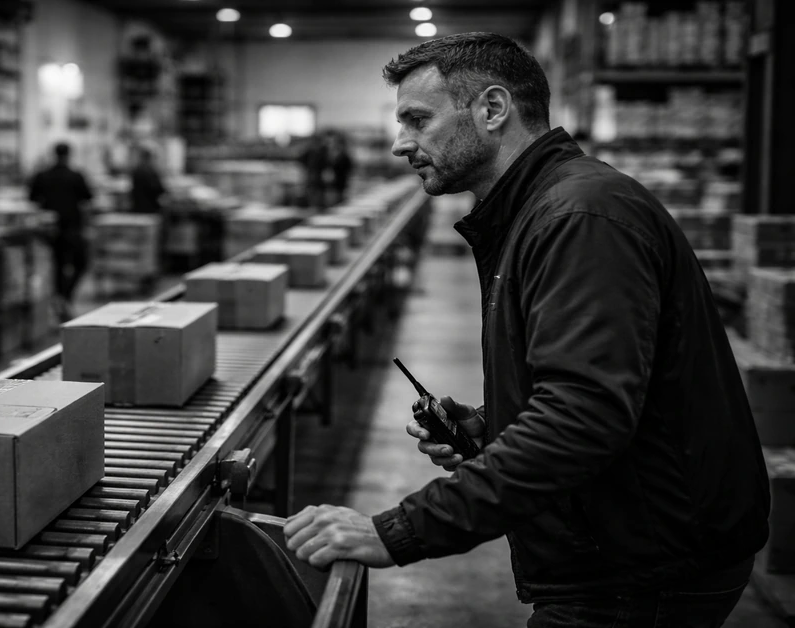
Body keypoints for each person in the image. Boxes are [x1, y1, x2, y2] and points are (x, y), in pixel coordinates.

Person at [283, 33, 770, 628]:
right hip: (621, 542)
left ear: (492, 110)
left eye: (418, 119)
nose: (398, 143)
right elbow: (604, 387)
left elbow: (584, 416)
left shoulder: (580, 218)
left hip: (638, 569)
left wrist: (398, 531)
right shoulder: (542, 211)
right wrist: (496, 427)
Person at [29, 142, 93, 320]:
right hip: (72, 228)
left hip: (51, 230)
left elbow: (32, 198)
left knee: (58, 266)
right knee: (81, 263)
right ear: (69, 155)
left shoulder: (42, 175)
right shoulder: (76, 176)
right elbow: (88, 198)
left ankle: (61, 298)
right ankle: (65, 296)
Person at [129, 146, 167, 214]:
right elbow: (159, 190)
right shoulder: (151, 171)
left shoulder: (136, 170)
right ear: (150, 158)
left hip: (137, 206)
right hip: (150, 208)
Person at [299, 133, 329, 210]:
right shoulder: (310, 152)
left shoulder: (323, 152)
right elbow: (300, 159)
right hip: (311, 179)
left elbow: (327, 166)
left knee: (319, 199)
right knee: (310, 197)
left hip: (319, 180)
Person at [326, 132, 354, 206]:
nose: (330, 145)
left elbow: (348, 170)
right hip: (331, 186)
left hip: (339, 185)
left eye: (332, 142)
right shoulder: (329, 154)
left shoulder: (343, 156)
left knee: (337, 204)